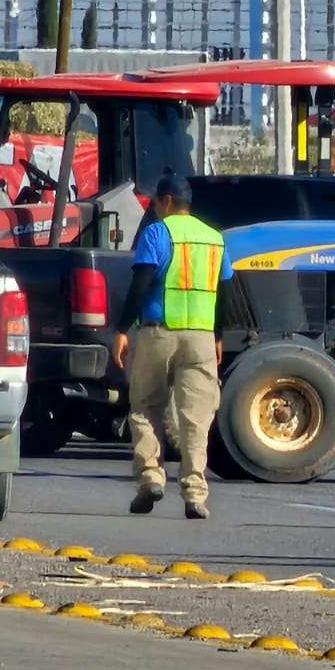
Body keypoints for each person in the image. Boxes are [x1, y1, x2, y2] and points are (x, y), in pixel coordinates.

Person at [111, 173, 234, 520]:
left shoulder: (157, 233)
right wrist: (218, 335)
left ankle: (151, 477)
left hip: (158, 332)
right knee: (195, 418)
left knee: (145, 407)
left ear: (165, 201)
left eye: (154, 202)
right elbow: (224, 293)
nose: (153, 208)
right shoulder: (214, 239)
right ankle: (195, 494)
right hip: (201, 338)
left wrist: (121, 329)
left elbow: (141, 283)